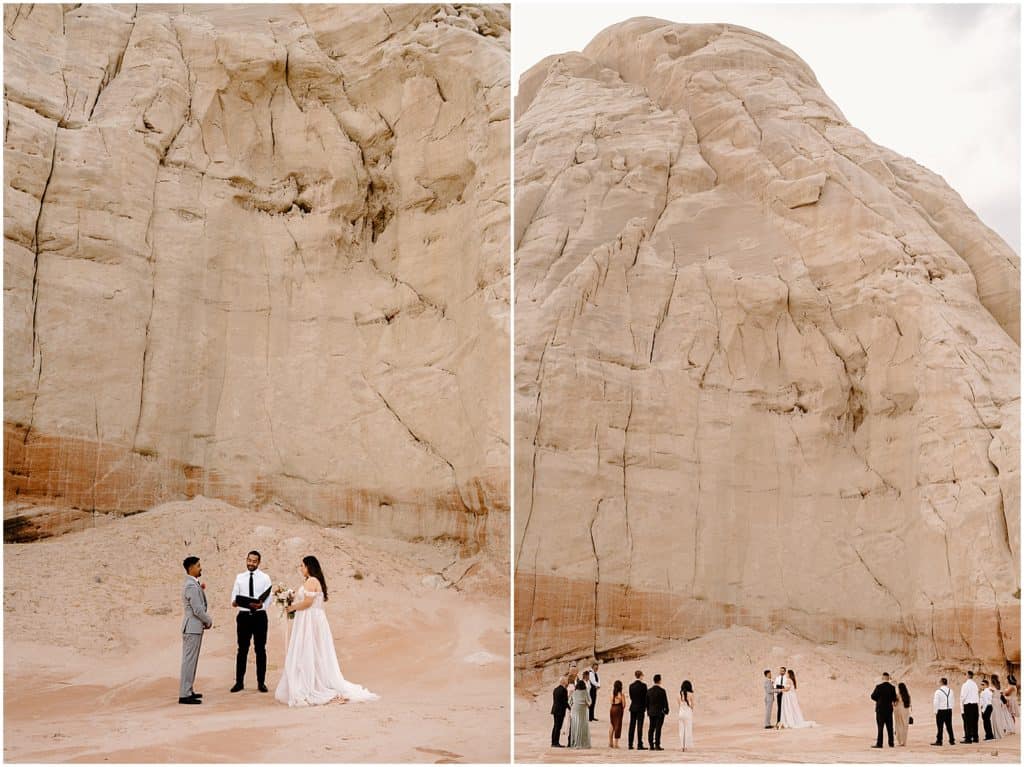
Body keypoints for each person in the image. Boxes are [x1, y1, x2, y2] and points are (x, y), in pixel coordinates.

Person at [275, 555, 378, 707]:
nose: (300, 569)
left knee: (309, 650)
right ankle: (315, 681)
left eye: (302, 566)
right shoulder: (313, 580)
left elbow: (308, 602)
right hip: (311, 619)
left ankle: (316, 686)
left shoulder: (312, 581)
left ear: (309, 566)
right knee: (313, 651)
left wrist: (292, 607)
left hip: (310, 621)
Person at [230, 550, 272, 693]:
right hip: (244, 617)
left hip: (260, 617)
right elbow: (233, 596)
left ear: (259, 562)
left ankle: (261, 682)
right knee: (242, 650)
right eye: (249, 560)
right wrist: (235, 602)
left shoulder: (265, 578)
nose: (251, 563)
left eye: (254, 561)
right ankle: (239, 682)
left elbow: (269, 598)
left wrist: (262, 605)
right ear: (246, 560)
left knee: (260, 650)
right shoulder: (239, 577)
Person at [179, 556, 212, 704]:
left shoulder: (193, 584)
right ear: (191, 568)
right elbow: (197, 609)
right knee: (189, 661)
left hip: (194, 627)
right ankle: (184, 694)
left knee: (192, 660)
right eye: (198, 566)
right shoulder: (191, 586)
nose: (200, 568)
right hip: (192, 628)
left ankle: (188, 690)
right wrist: (208, 620)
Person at [871, 672, 898, 747]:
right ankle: (891, 743)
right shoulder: (892, 687)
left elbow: (872, 696)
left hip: (880, 710)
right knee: (890, 727)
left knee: (880, 727)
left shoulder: (878, 687)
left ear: (883, 678)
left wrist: (879, 700)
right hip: (889, 709)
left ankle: (879, 744)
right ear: (888, 678)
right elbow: (894, 698)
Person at [646, 673, 668, 750]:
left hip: (651, 712)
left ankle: (651, 745)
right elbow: (665, 702)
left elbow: (647, 703)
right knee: (658, 728)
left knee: (651, 728)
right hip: (659, 713)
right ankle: (657, 745)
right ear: (659, 681)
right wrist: (666, 711)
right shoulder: (662, 691)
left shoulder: (649, 691)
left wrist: (648, 711)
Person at [931, 677, 956, 746]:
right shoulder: (951, 691)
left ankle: (939, 741)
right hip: (948, 710)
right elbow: (953, 700)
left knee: (940, 727)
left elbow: (936, 702)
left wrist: (935, 711)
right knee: (949, 726)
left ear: (941, 682)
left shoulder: (938, 691)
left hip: (941, 711)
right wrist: (950, 708)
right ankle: (952, 740)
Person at [628, 670, 648, 750]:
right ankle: (639, 744)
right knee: (640, 726)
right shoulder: (644, 686)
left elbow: (631, 697)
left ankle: (630, 744)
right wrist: (645, 706)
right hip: (640, 707)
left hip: (633, 707)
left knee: (632, 726)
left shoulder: (631, 686)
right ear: (640, 676)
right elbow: (645, 697)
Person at [569, 680, 591, 748]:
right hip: (583, 711)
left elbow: (570, 702)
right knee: (583, 726)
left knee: (575, 726)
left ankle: (575, 742)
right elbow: (589, 702)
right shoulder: (585, 692)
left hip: (575, 710)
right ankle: (583, 743)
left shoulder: (574, 692)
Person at [960, 670, 980, 743]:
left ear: (968, 675)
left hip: (968, 705)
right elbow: (977, 695)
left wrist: (962, 707)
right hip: (975, 705)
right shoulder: (975, 684)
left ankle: (968, 738)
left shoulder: (965, 685)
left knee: (968, 722)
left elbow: (963, 696)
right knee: (975, 722)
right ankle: (975, 738)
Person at [551, 676, 569, 748]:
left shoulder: (555, 689)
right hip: (560, 711)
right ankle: (556, 743)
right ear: (564, 682)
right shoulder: (564, 690)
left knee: (555, 726)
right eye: (566, 681)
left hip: (555, 709)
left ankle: (553, 741)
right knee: (558, 727)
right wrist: (570, 707)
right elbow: (565, 701)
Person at [894, 682, 913, 746]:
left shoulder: (898, 695)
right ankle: (904, 741)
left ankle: (900, 741)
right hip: (906, 712)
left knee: (899, 726)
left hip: (898, 711)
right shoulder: (908, 695)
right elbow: (910, 705)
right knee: (905, 726)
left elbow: (894, 704)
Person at [678, 680, 694, 751]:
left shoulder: (678, 694)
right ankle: (686, 747)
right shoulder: (690, 694)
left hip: (681, 713)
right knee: (688, 730)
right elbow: (692, 705)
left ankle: (682, 746)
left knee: (681, 730)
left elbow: (679, 705)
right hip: (687, 713)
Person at [609, 680, 625, 748]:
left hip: (612, 708)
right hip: (618, 709)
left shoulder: (612, 693)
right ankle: (616, 743)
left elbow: (611, 702)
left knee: (612, 724)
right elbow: (623, 704)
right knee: (618, 725)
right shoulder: (621, 694)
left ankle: (610, 742)